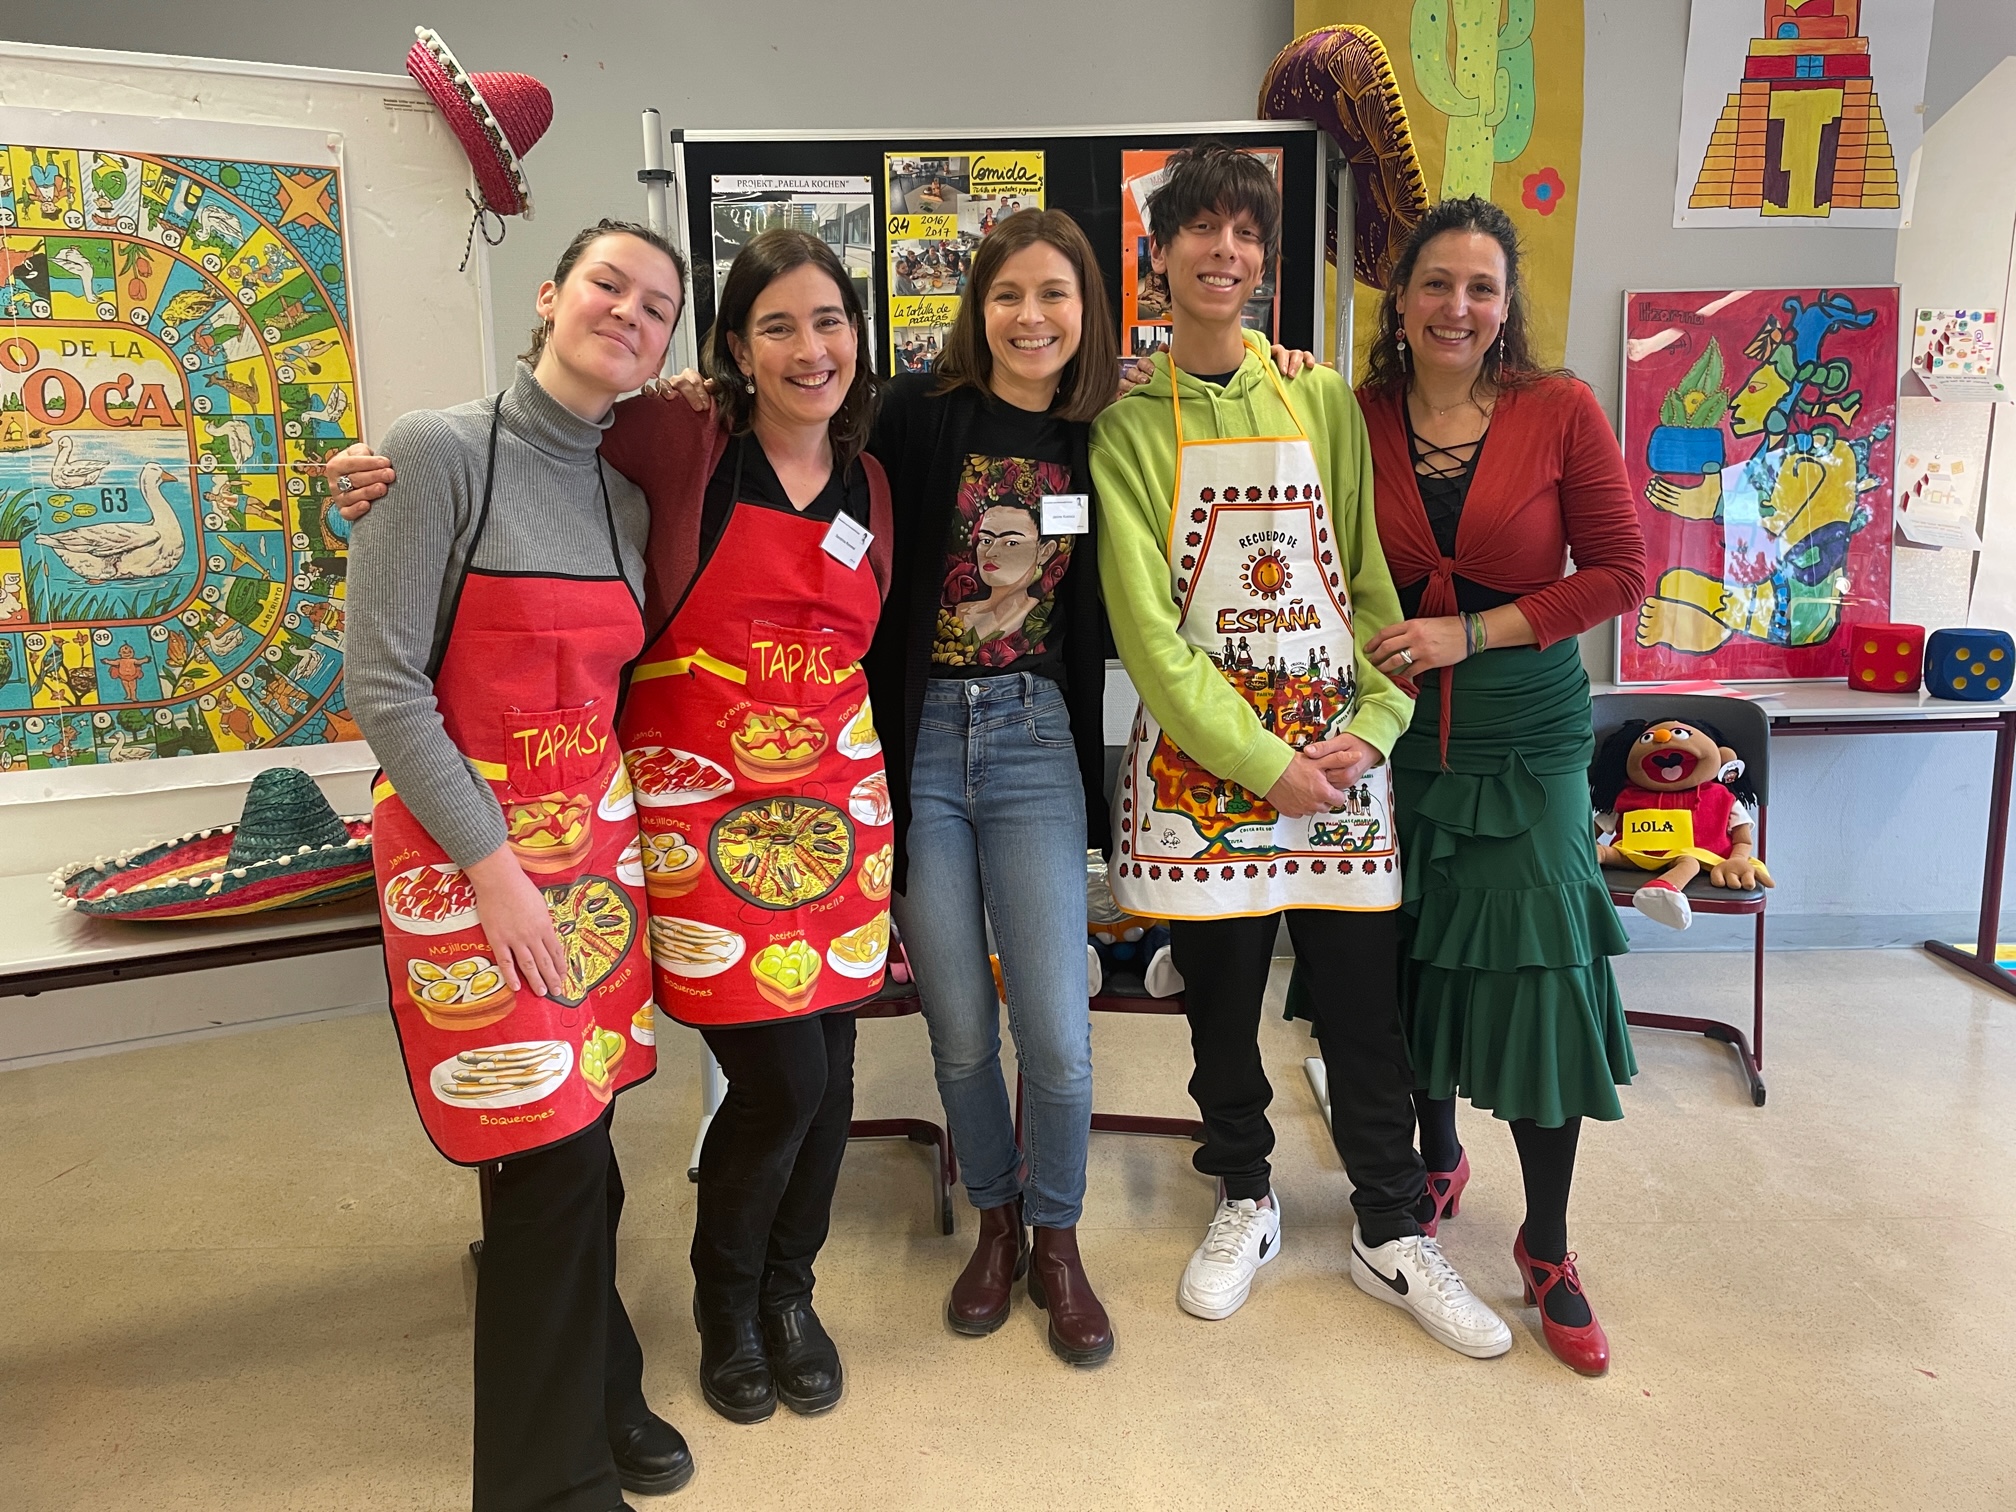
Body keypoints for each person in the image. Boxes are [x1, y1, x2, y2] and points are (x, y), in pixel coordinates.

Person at [330, 230, 896, 1426]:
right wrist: (368, 477)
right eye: (777, 325)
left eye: (830, 320)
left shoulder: (876, 479)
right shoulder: (679, 442)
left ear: (859, 334)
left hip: (835, 817)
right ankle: (722, 1298)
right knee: (782, 1080)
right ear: (732, 349)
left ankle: (789, 1298)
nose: (811, 348)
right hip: (697, 814)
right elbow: (536, 439)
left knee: (836, 1074)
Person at [1090, 142, 1510, 1358]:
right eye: (1201, 231)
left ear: (1267, 261)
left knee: (1362, 1011)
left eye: (1247, 235)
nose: (1225, 252)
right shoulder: (1127, 429)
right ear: (1159, 257)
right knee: (1220, 1012)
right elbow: (1151, 640)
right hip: (1204, 777)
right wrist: (1263, 765)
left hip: (1336, 757)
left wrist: (1371, 728)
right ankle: (1246, 1197)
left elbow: (1366, 579)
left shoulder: (1318, 398)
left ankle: (1390, 1225)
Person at [346, 219, 695, 1511]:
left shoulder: (625, 496)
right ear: (550, 295)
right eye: (609, 284)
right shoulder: (437, 452)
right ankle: (552, 1483)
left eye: (657, 307)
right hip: (469, 861)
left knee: (581, 1129)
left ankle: (604, 1372)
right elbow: (382, 686)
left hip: (596, 861)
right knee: (547, 1145)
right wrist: (492, 867)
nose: (629, 313)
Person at [1318, 195, 1646, 1376]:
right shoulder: (1349, 417)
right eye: (1436, 284)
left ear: (1504, 310)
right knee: (1406, 961)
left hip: (1524, 742)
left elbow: (1620, 569)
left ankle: (1548, 1245)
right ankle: (1430, 1159)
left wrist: (1480, 631)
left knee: (1540, 981)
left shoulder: (1559, 410)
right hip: (1393, 736)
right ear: (1398, 302)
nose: (1457, 306)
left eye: (1481, 288)